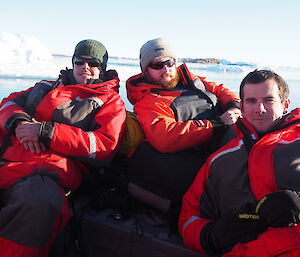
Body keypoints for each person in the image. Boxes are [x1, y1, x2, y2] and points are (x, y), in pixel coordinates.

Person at [0, 39, 126, 257]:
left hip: (47, 171)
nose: (85, 67)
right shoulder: (45, 86)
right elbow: (7, 103)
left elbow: (105, 145)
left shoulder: (109, 101)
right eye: (80, 61)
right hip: (10, 156)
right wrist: (20, 123)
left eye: (93, 62)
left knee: (38, 203)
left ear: (102, 68)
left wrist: (47, 133)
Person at [179, 69, 300, 256]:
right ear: (241, 107)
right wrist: (213, 235)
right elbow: (188, 218)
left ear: (285, 104)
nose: (260, 109)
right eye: (251, 101)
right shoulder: (219, 160)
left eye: (269, 100)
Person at [125, 38, 241, 219]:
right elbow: (165, 136)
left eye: (169, 62)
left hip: (231, 134)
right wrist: (218, 124)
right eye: (157, 65)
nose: (166, 69)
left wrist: (234, 105)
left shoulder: (190, 80)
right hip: (206, 155)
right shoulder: (149, 100)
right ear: (145, 70)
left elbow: (219, 89)